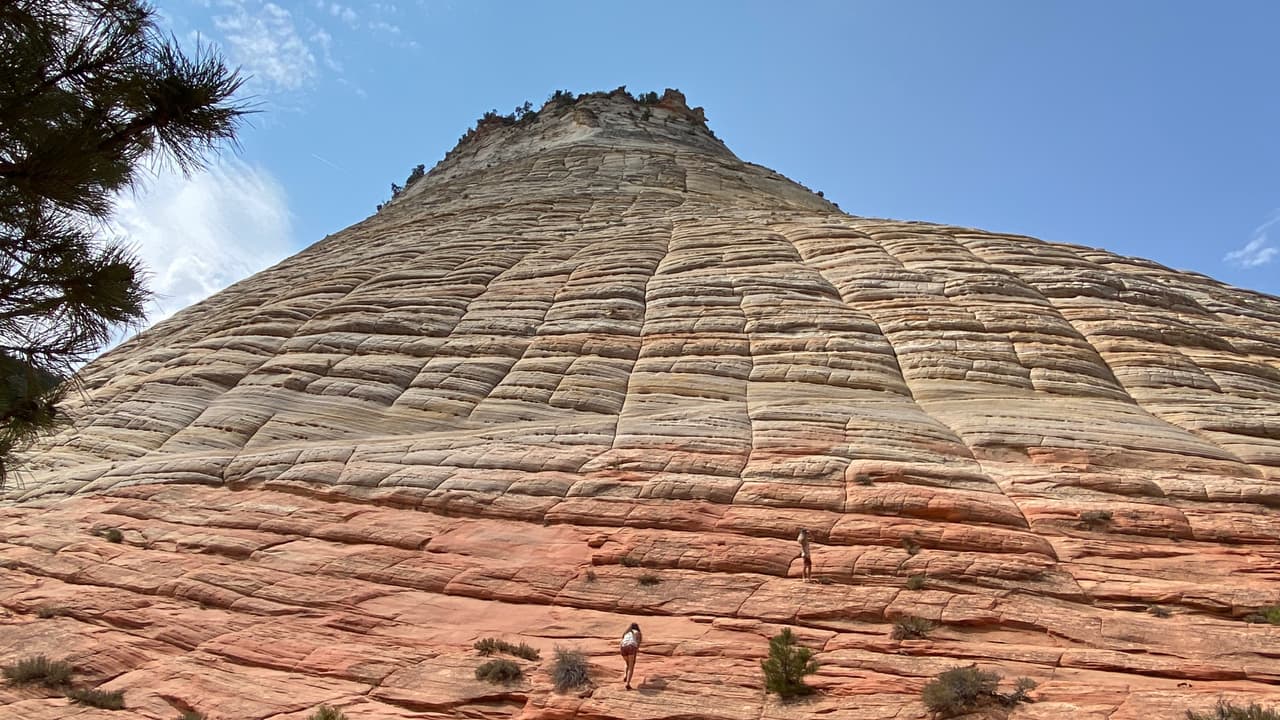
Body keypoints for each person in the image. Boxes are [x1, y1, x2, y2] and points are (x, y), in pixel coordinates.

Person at [620, 622, 642, 689]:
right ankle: (627, 683)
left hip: (623, 647)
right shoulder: (638, 633)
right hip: (631, 646)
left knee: (627, 662)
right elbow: (637, 643)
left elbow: (621, 641)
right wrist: (636, 651)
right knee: (631, 666)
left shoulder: (626, 633)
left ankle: (625, 675)